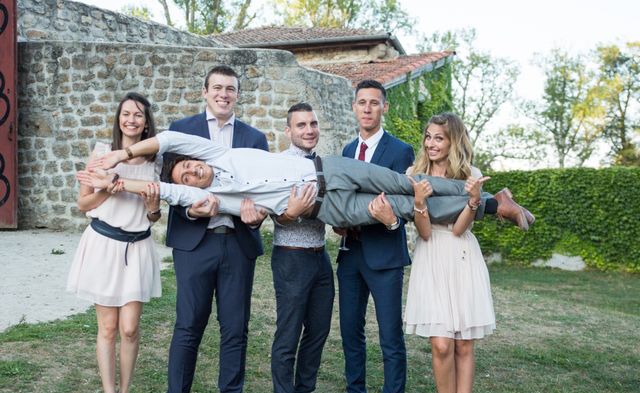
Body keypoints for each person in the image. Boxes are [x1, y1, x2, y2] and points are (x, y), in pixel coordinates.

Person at [81, 129, 531, 229]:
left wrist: (123, 153)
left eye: (189, 166)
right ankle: (493, 207)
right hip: (325, 207)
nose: (192, 172)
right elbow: (164, 190)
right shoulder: (215, 195)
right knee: (403, 208)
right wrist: (119, 185)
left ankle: (490, 195)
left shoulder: (216, 151)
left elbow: (173, 137)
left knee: (402, 182)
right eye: (187, 176)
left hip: (329, 168)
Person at [161, 65, 268, 393]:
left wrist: (255, 220)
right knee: (189, 326)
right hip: (195, 242)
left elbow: (264, 192)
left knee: (235, 328)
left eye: (231, 89)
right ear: (205, 91)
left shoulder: (255, 139)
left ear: (238, 95)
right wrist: (190, 209)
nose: (224, 94)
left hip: (237, 242)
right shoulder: (181, 130)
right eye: (217, 88)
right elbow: (167, 184)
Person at [321, 79, 414, 393]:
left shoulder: (401, 151)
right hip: (350, 253)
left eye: (374, 103)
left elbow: (407, 205)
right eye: (362, 102)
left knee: (390, 337)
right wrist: (340, 224)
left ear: (384, 108)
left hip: (385, 253)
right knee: (349, 330)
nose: (367, 108)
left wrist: (389, 219)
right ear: (354, 107)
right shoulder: (346, 149)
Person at [67, 92, 162, 393]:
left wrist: (152, 208)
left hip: (136, 247)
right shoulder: (101, 154)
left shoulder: (155, 162)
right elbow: (83, 203)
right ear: (118, 119)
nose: (132, 120)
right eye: (126, 114)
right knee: (107, 328)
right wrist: (109, 186)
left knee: (131, 328)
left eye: (138, 115)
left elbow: (154, 215)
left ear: (147, 122)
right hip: (104, 245)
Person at [404, 112, 497, 393]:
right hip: (431, 256)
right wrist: (418, 202)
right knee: (441, 345)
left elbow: (459, 229)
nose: (431, 144)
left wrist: (474, 200)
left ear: (453, 141)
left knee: (463, 346)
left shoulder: (470, 175)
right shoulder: (415, 176)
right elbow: (425, 233)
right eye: (428, 137)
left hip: (461, 257)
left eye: (439, 138)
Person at [270, 103, 334, 393]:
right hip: (291, 255)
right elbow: (275, 214)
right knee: (289, 332)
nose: (308, 130)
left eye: (313, 124)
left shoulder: (323, 165)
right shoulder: (279, 164)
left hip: (320, 256)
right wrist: (290, 212)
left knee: (319, 330)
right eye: (301, 125)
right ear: (289, 130)